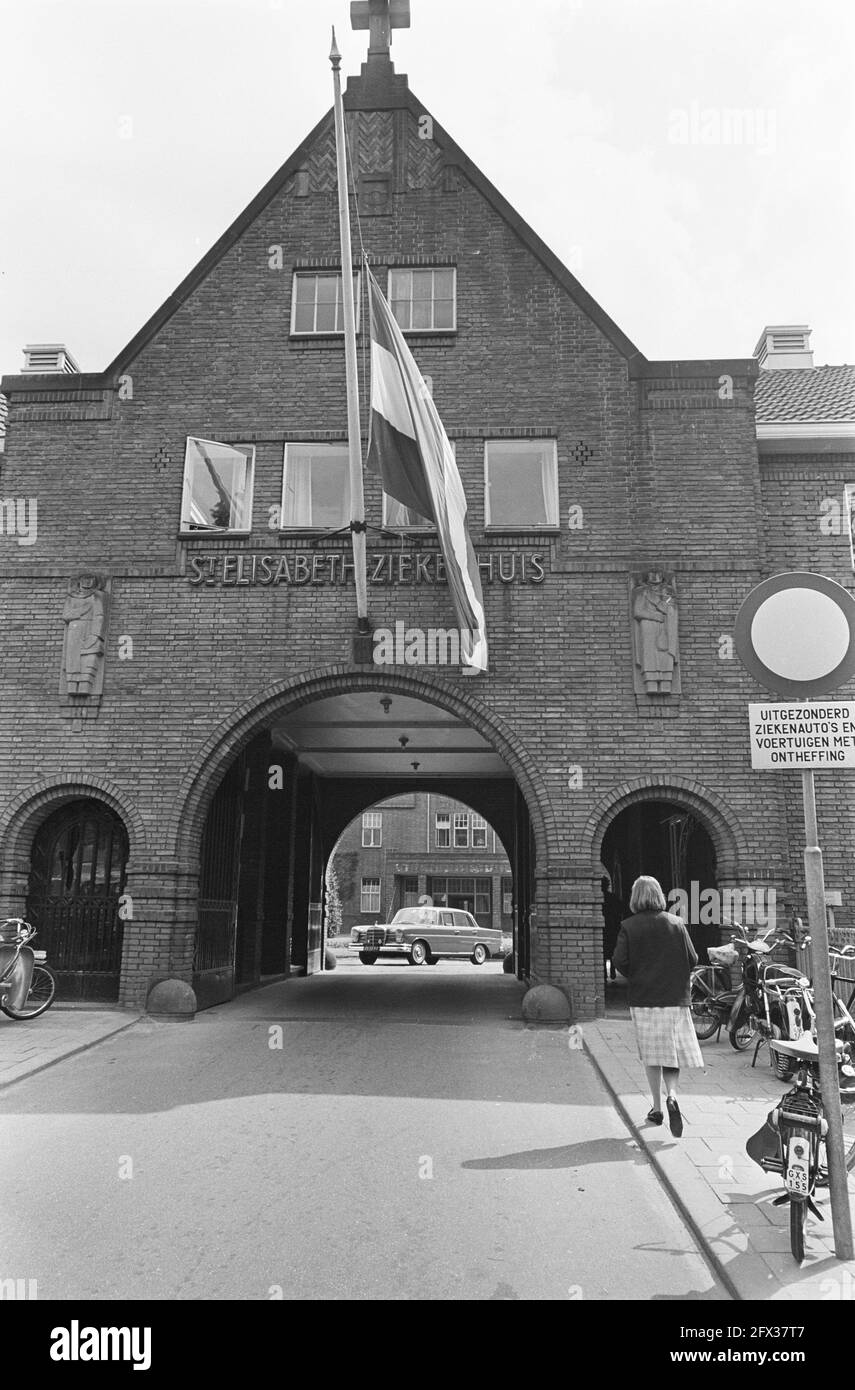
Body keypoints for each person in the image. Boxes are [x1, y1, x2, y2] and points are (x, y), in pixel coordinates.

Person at [612, 874, 703, 1137]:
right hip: (674, 999)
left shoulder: (629, 926)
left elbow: (620, 960)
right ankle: (672, 1096)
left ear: (635, 898)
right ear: (659, 896)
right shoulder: (676, 923)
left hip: (644, 999)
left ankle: (655, 1108)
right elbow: (693, 958)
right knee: (671, 1052)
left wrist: (638, 974)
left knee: (651, 1053)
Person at [600, 876, 627, 982]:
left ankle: (604, 973)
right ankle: (612, 970)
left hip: (604, 927)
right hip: (612, 927)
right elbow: (621, 909)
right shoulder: (613, 897)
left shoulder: (601, 897)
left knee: (603, 950)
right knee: (612, 950)